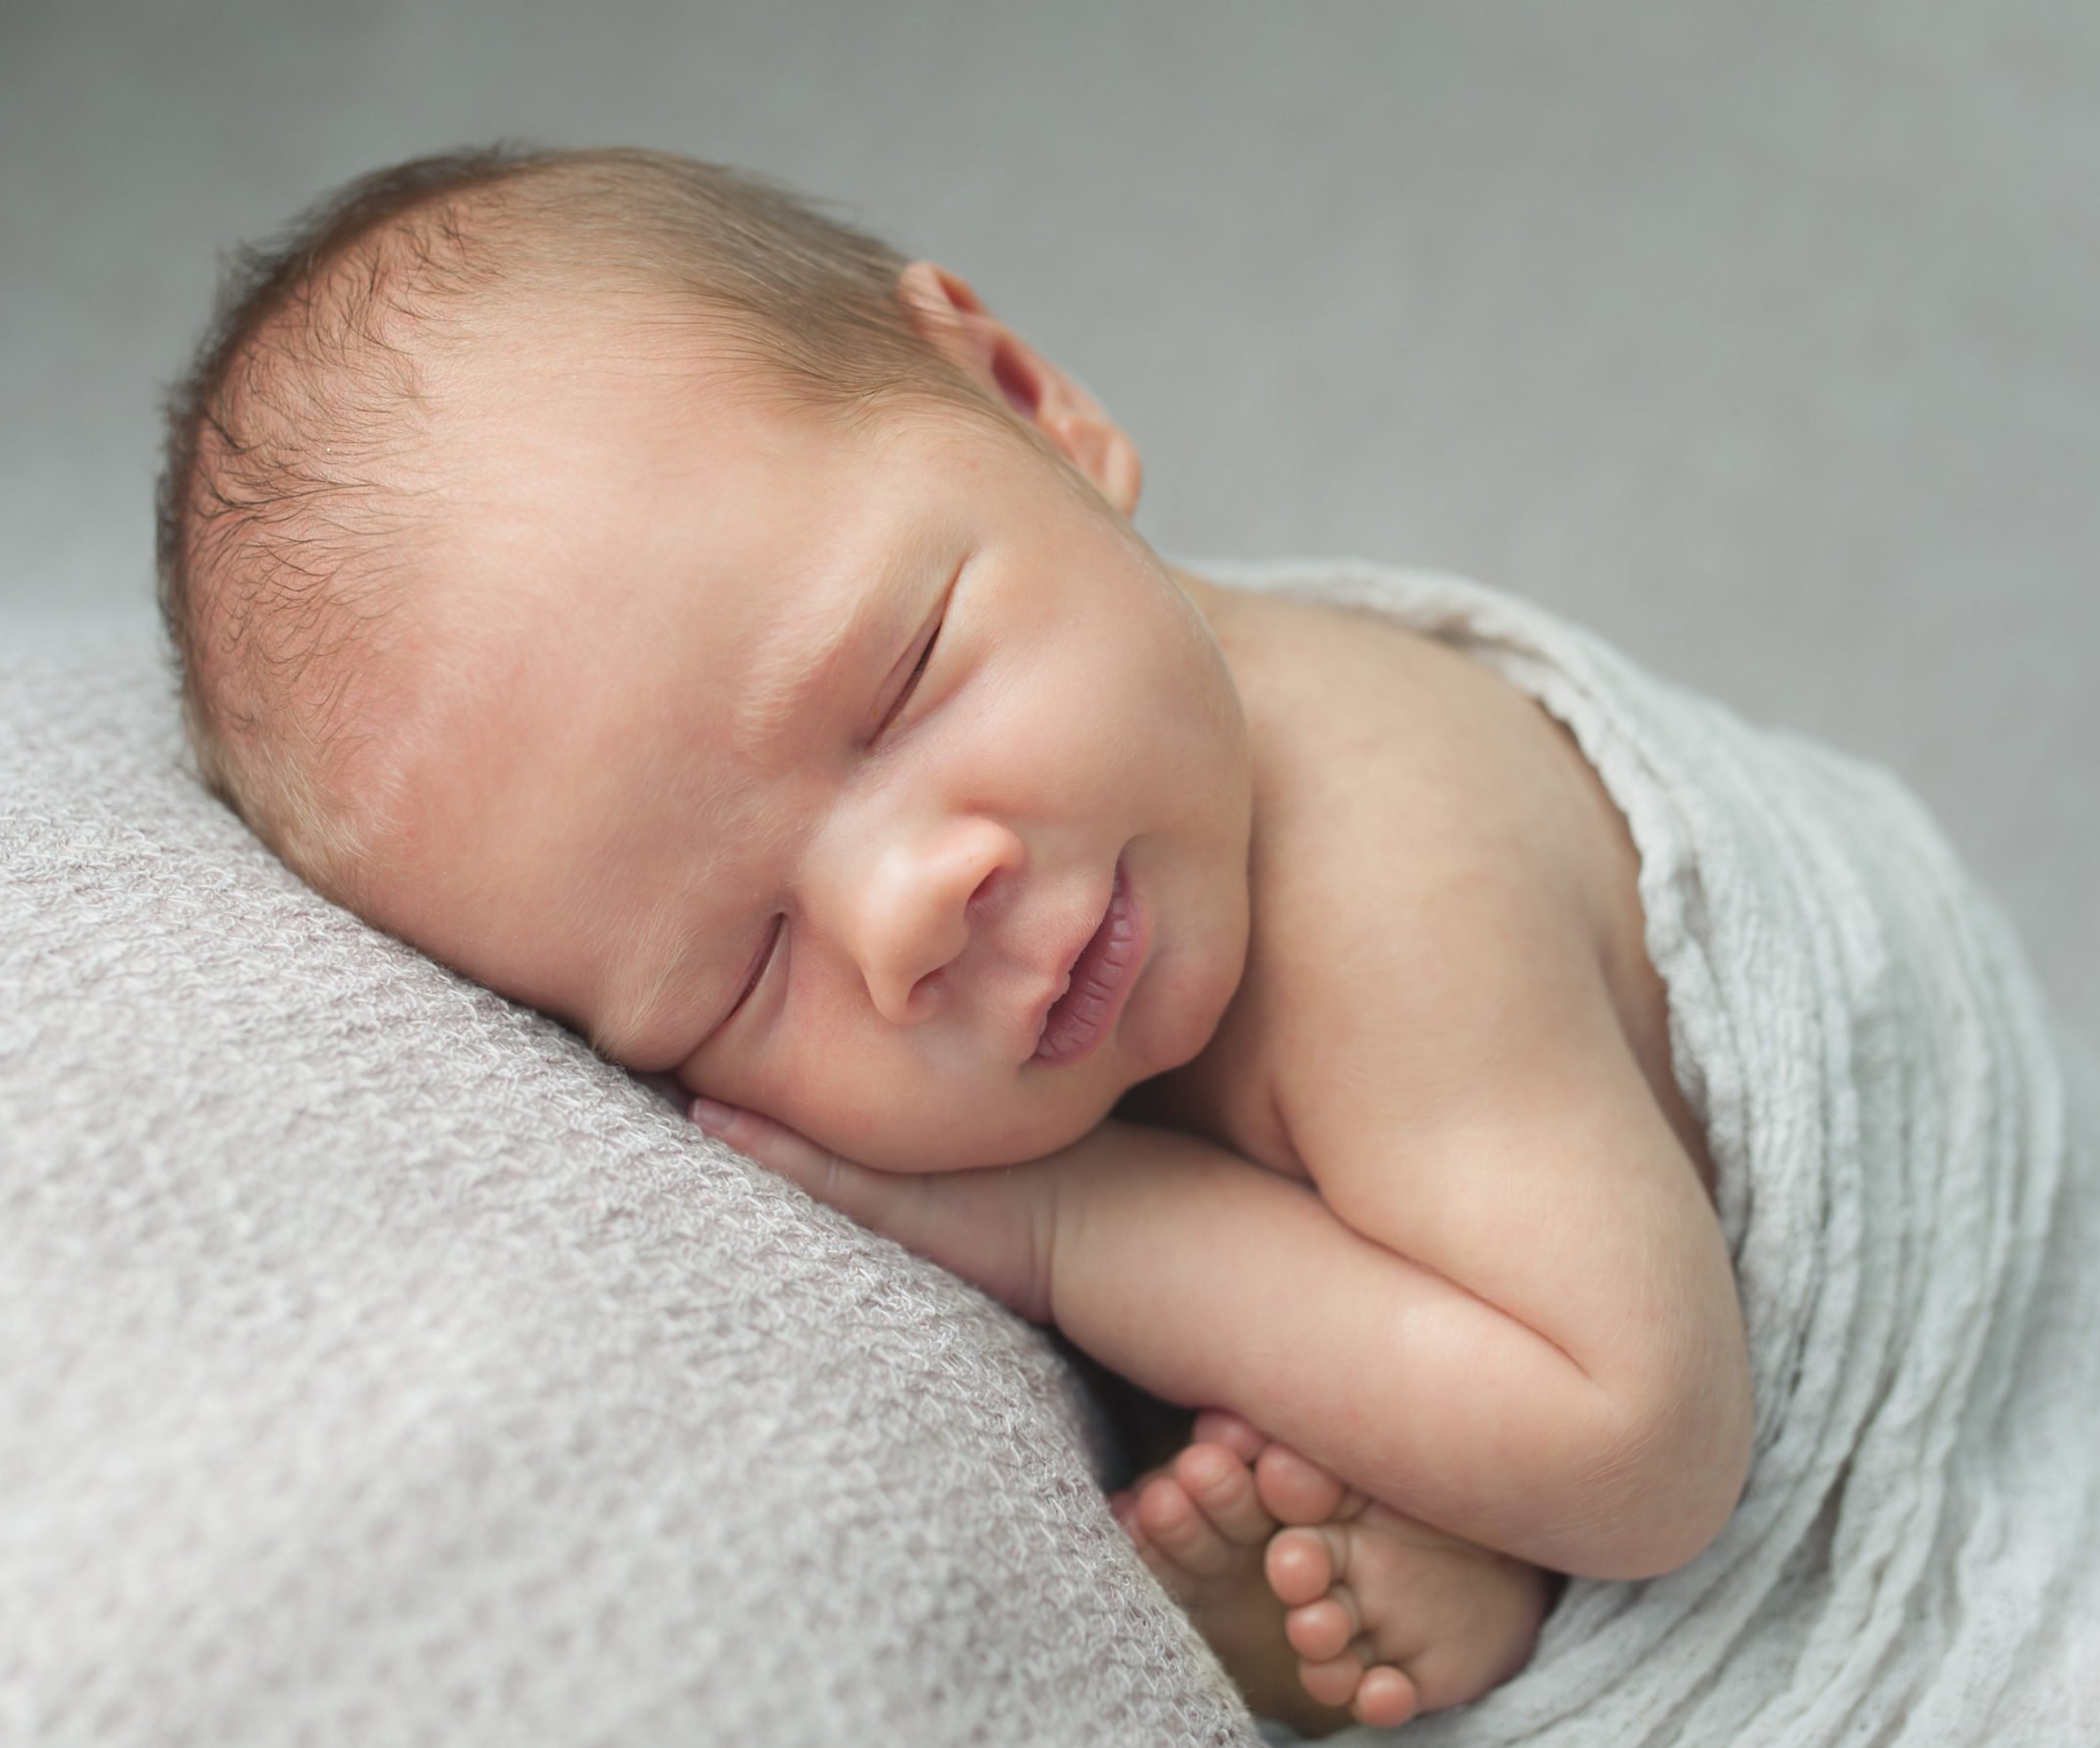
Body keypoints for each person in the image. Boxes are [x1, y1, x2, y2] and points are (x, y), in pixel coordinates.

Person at [153, 144, 1802, 1734]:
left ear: (1029, 402)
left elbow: (1645, 1446)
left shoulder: (1392, 873)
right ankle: (1428, 1532)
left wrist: (1077, 1231)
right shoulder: (1105, 801)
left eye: (900, 684)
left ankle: (1466, 1515)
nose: (905, 917)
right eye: (746, 970)